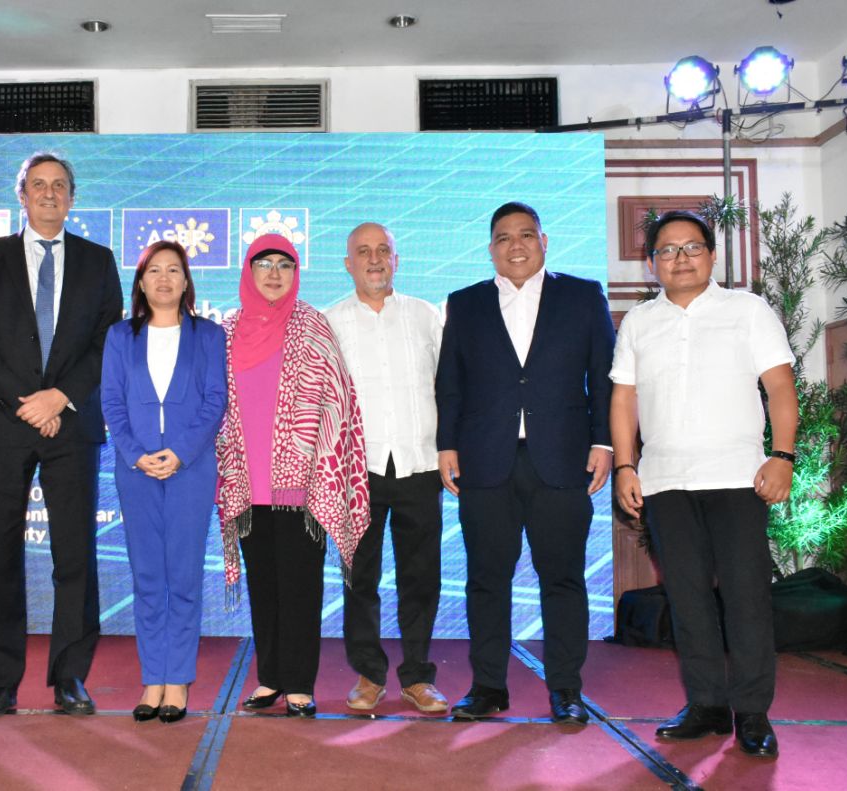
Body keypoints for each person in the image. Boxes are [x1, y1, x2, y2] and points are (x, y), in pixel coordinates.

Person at [610, 210, 796, 758]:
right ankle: (708, 706)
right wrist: (626, 465)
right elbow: (625, 398)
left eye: (691, 247)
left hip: (740, 478)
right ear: (652, 263)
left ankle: (753, 713)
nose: (680, 258)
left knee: (746, 599)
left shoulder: (747, 310)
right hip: (666, 482)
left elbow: (780, 386)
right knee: (687, 600)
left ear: (712, 256)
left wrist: (783, 455)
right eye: (667, 250)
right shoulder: (640, 322)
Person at [0, 152, 122, 717]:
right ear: (21, 195)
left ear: (72, 198)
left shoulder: (99, 262)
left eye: (59, 186)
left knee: (74, 554)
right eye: (38, 185)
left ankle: (70, 677)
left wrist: (60, 397)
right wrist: (25, 402)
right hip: (5, 422)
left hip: (72, 423)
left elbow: (106, 340)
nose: (49, 194)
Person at [436, 201, 614, 725]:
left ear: (544, 242)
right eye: (504, 237)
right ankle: (488, 686)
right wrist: (447, 444)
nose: (516, 245)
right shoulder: (464, 304)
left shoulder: (581, 297)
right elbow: (450, 382)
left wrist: (604, 443)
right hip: (485, 462)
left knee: (563, 578)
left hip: (561, 459)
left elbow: (602, 376)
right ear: (490, 248)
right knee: (486, 580)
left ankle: (566, 689)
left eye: (526, 235)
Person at [216, 233, 369, 718]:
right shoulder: (226, 331)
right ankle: (270, 679)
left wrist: (323, 470)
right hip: (247, 484)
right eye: (264, 264)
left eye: (285, 264)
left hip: (301, 486)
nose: (275, 273)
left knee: (301, 586)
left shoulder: (313, 326)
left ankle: (300, 683)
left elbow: (339, 400)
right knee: (264, 585)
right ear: (249, 271)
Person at [100, 241, 226, 724]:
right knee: (148, 576)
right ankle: (153, 678)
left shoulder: (208, 336)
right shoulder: (119, 336)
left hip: (191, 470)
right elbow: (112, 401)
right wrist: (135, 455)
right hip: (137, 473)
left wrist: (182, 452)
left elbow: (215, 401)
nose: (165, 278)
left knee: (184, 576)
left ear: (187, 281)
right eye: (155, 270)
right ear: (141, 281)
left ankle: (178, 680)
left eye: (175, 270)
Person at [325, 222, 448, 714]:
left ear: (397, 260)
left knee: (421, 577)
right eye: (363, 252)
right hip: (358, 470)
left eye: (383, 251)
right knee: (360, 578)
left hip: (419, 463)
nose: (374, 259)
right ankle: (369, 675)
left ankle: (418, 676)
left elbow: (449, 387)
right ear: (347, 263)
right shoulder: (329, 321)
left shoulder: (425, 316)